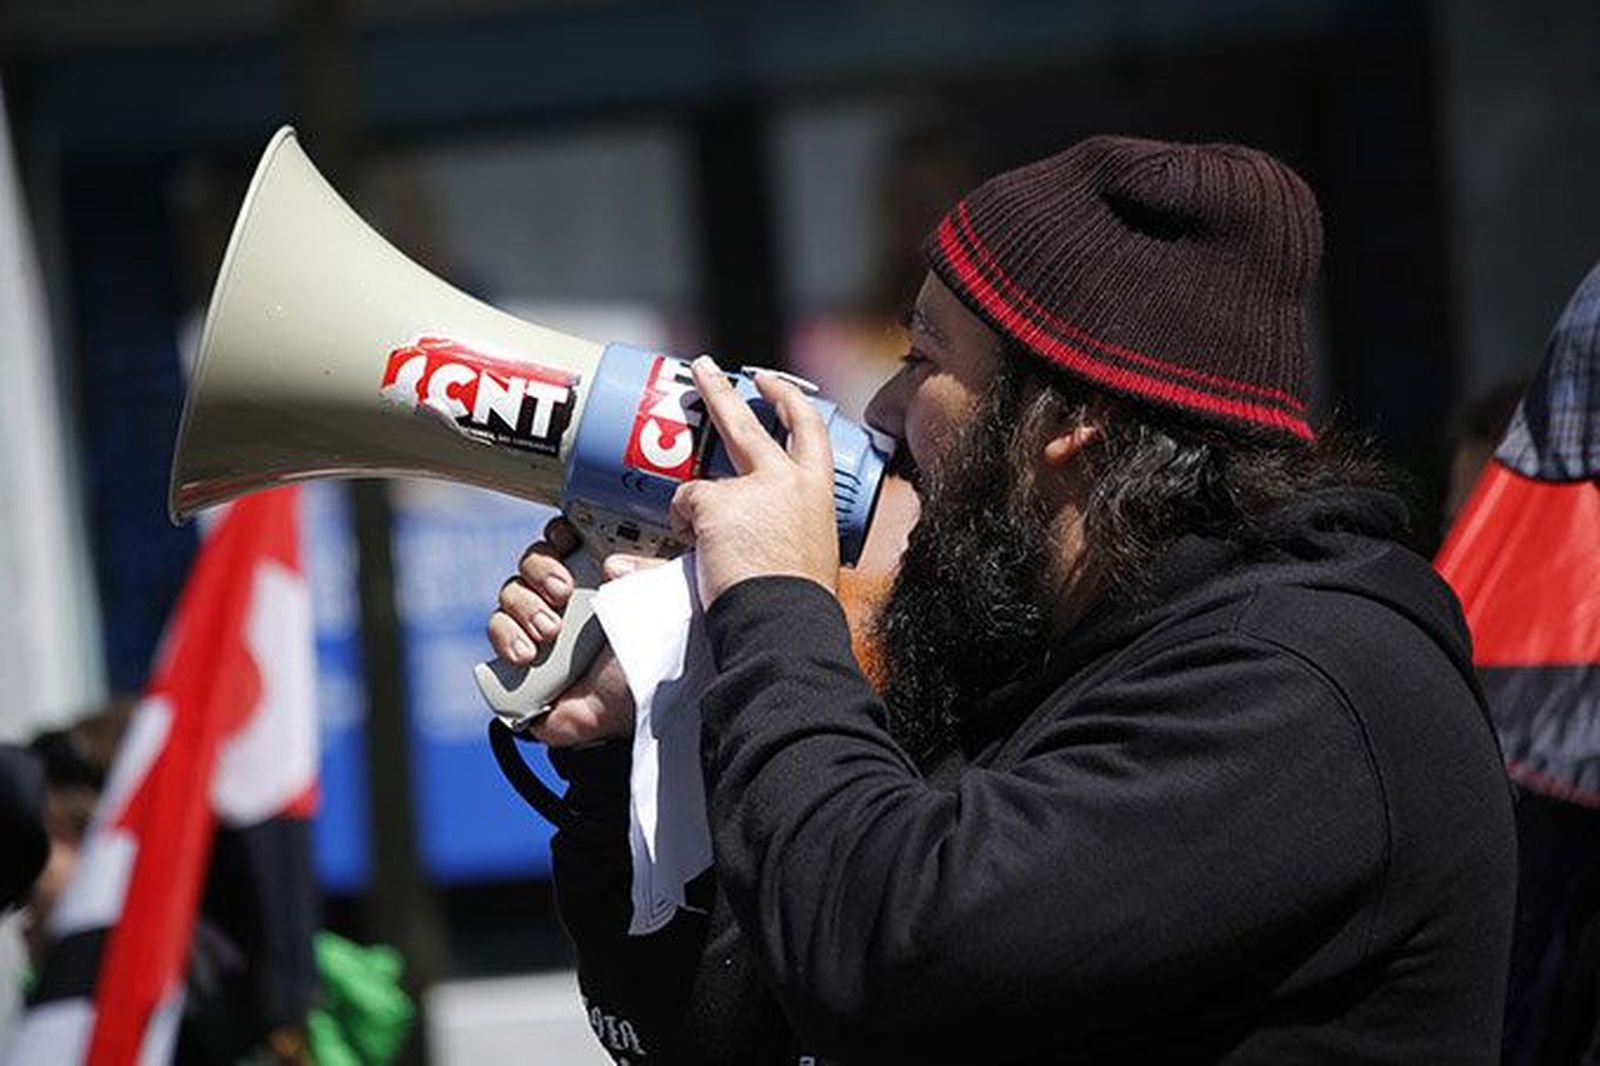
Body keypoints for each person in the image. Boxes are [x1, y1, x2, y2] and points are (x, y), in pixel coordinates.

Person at [489, 135, 1517, 1063]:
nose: (883, 409)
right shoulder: (1035, 655)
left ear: (1069, 420)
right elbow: (725, 1027)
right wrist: (644, 738)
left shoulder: (1306, 685)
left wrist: (774, 601)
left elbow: (880, 966)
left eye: (923, 360)